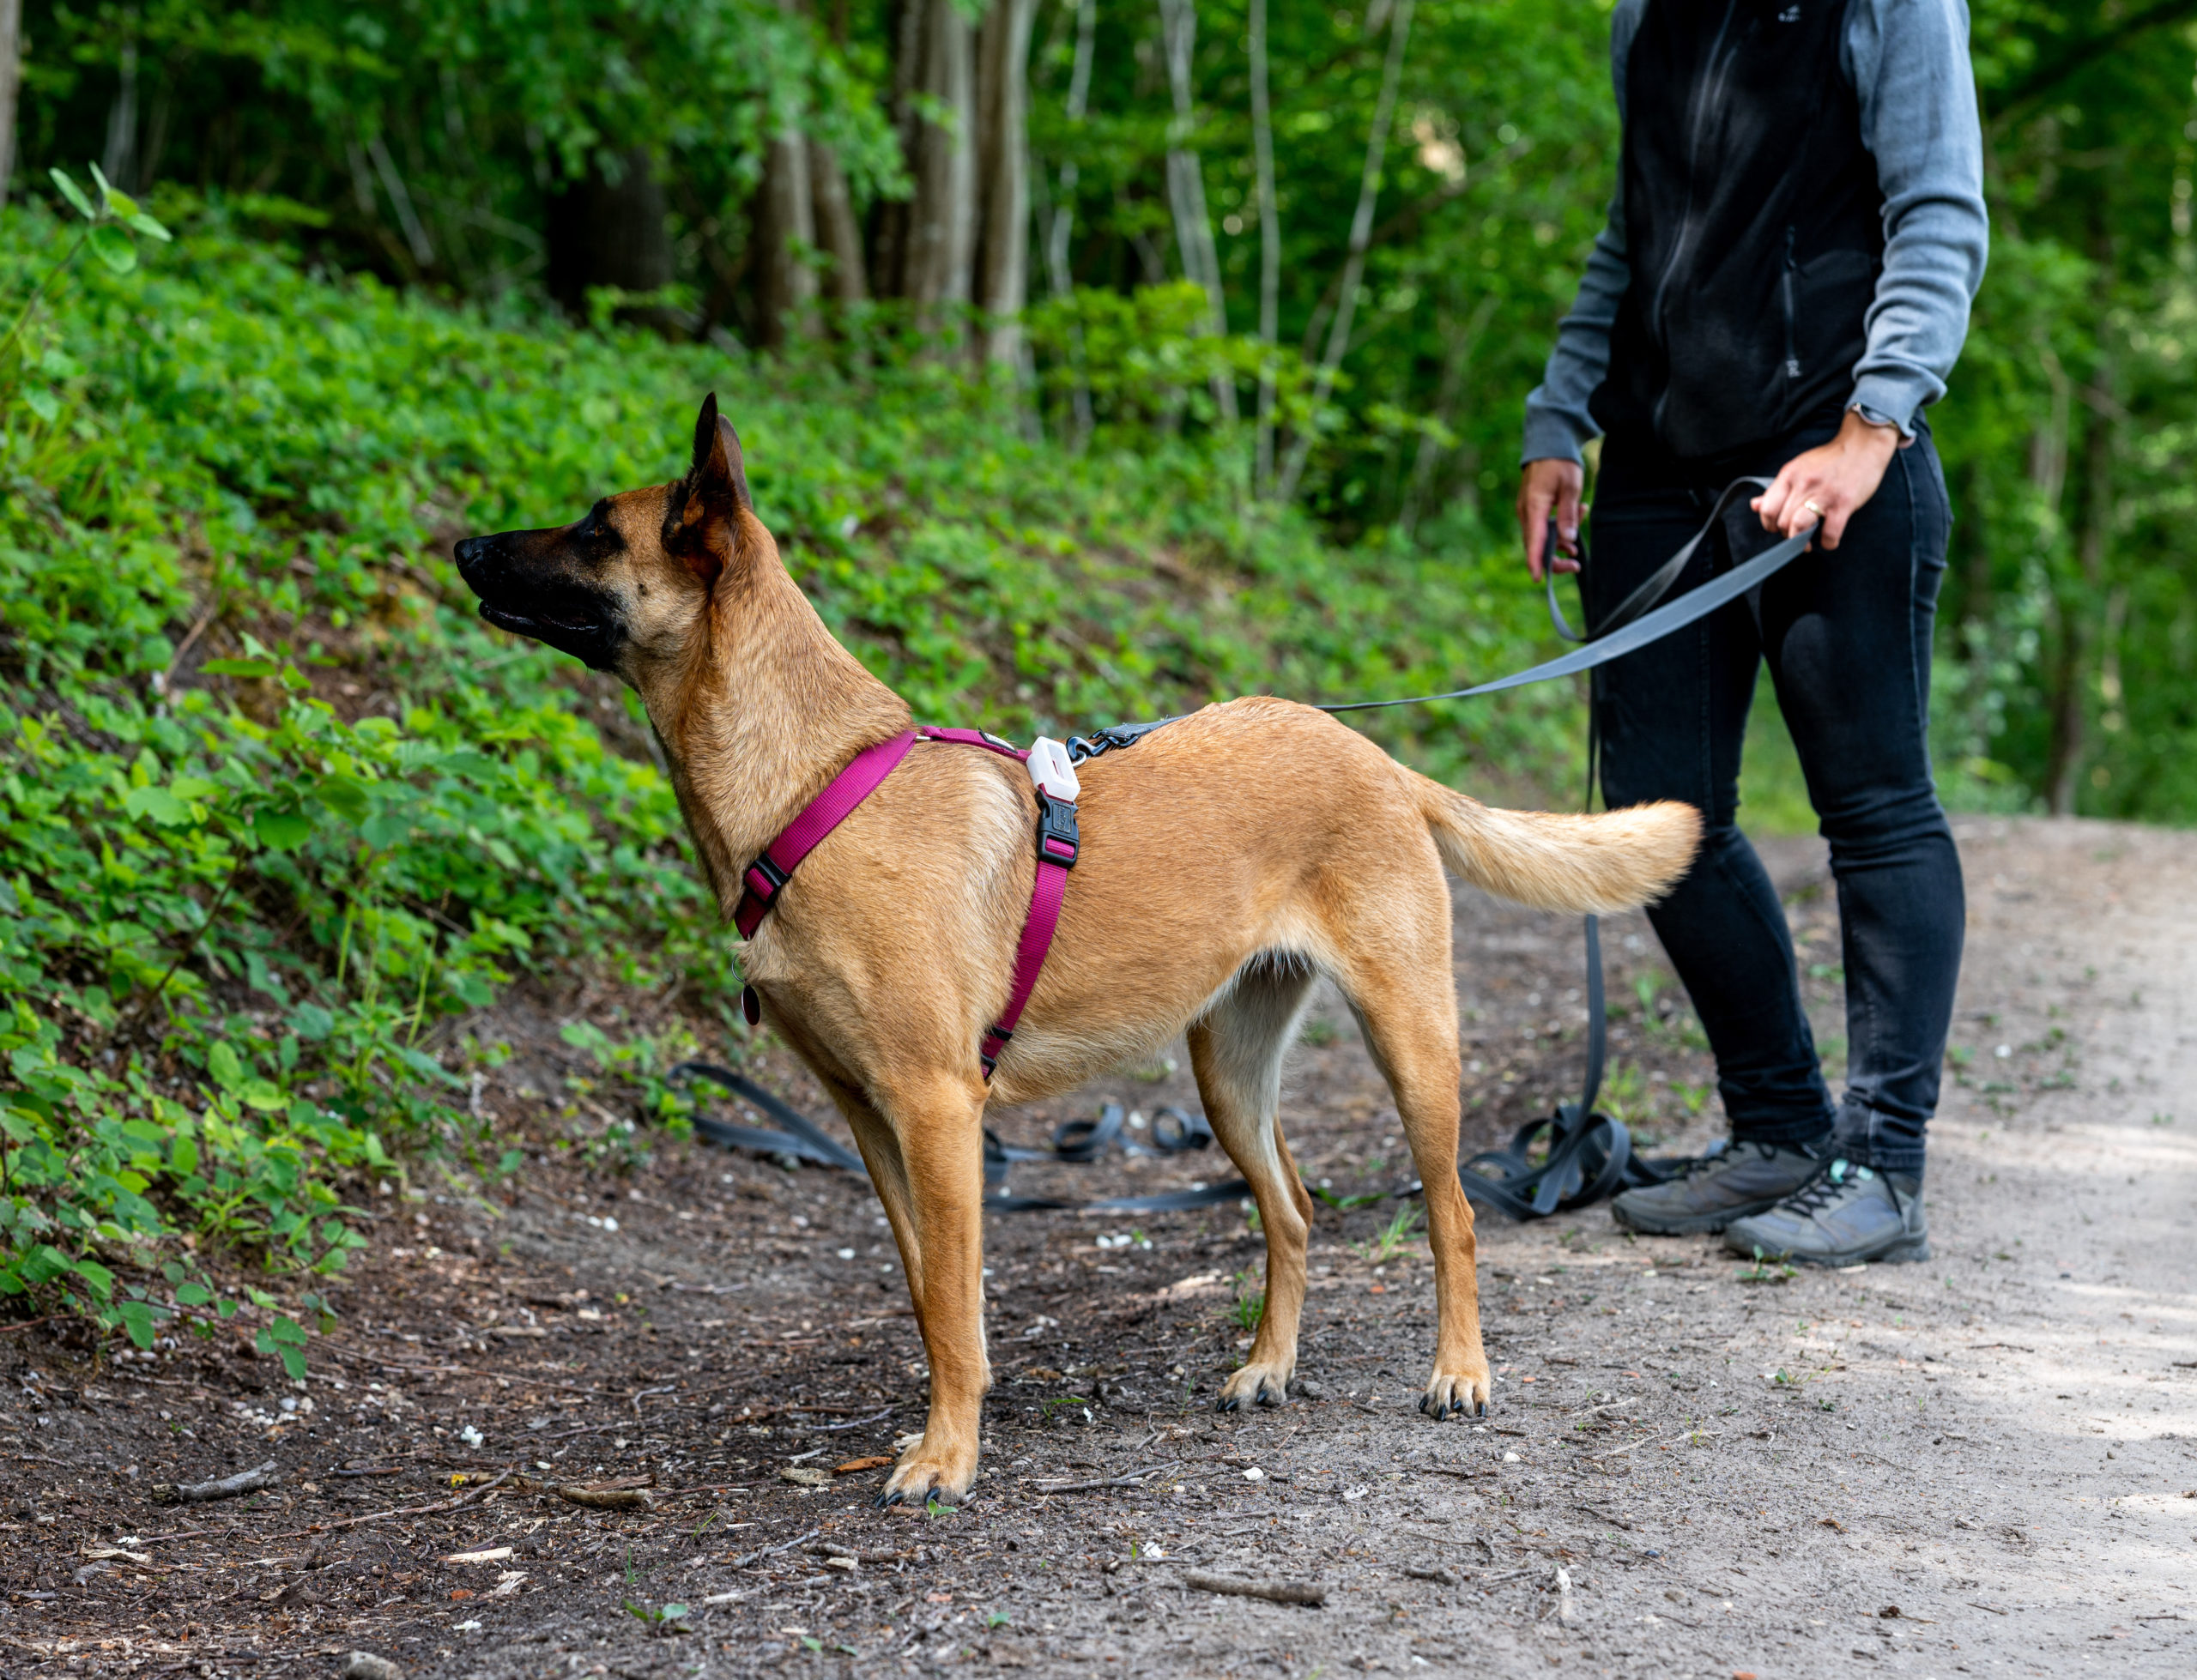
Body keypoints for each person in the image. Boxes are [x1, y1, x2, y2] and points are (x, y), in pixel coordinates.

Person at [1516, 0, 1988, 1264]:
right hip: (1662, 470)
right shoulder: (1647, 14)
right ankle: (1778, 1125)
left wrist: (1870, 429)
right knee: (1659, 817)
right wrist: (1562, 415)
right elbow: (1639, 229)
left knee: (1875, 806)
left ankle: (1883, 1164)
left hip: (1834, 461)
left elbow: (1939, 212)